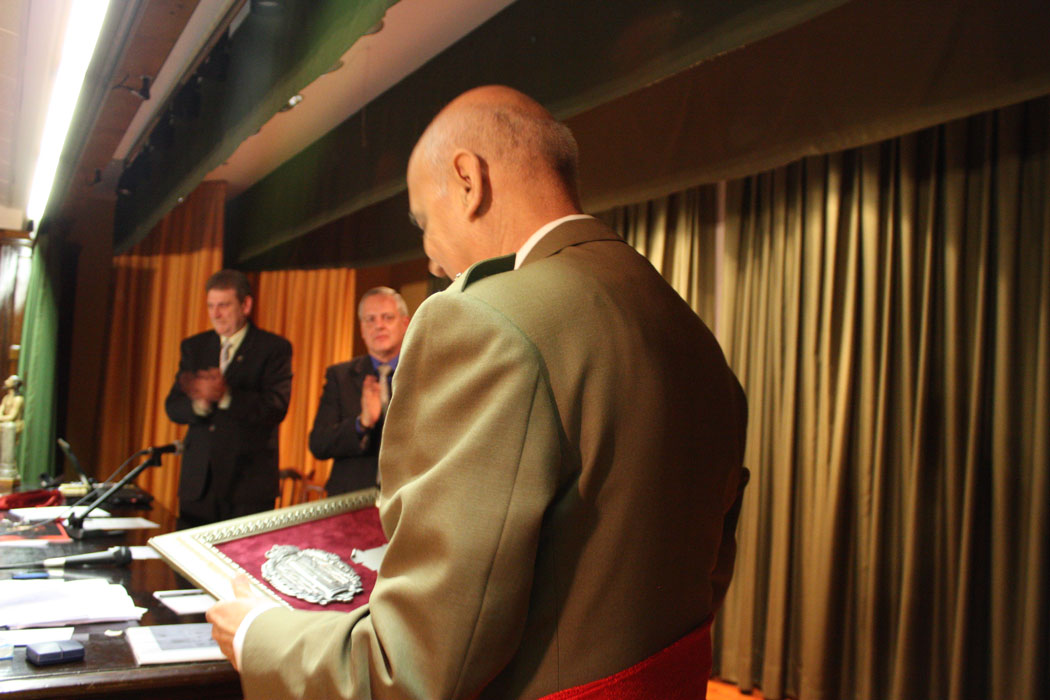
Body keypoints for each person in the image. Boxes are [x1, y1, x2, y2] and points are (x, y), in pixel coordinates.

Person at [208, 86, 748, 699]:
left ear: (468, 180)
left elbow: (415, 665)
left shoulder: (480, 318)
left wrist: (257, 635)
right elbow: (710, 563)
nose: (432, 261)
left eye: (423, 222)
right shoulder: (688, 329)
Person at [165, 269, 292, 529]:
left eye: (223, 305)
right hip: (199, 486)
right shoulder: (195, 347)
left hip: (247, 488)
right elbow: (173, 406)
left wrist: (226, 396)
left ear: (246, 305)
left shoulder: (273, 348)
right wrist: (199, 404)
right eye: (211, 306)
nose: (215, 314)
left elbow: (276, 408)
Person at [308, 287, 411, 495]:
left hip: (408, 496)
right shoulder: (340, 376)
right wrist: (361, 423)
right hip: (353, 499)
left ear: (405, 323)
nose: (379, 325)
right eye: (370, 320)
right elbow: (319, 443)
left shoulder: (422, 373)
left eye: (387, 317)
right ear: (362, 329)